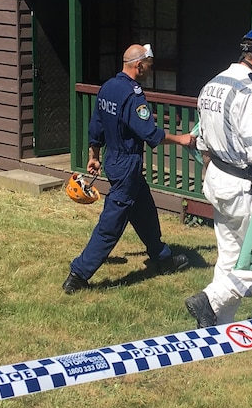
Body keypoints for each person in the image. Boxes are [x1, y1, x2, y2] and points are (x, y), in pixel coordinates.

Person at [62, 43, 195, 294]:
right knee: (111, 223)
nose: (150, 70)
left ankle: (162, 258)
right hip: (127, 163)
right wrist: (182, 139)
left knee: (144, 209)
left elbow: (97, 124)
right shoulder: (133, 95)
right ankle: (78, 274)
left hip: (113, 158)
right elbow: (150, 133)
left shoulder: (108, 88)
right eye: (149, 66)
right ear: (138, 65)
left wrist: (94, 153)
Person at [185, 24, 252, 327]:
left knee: (230, 253)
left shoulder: (212, 85)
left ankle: (217, 325)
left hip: (216, 176)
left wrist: (209, 174)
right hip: (242, 184)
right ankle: (211, 299)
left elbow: (201, 139)